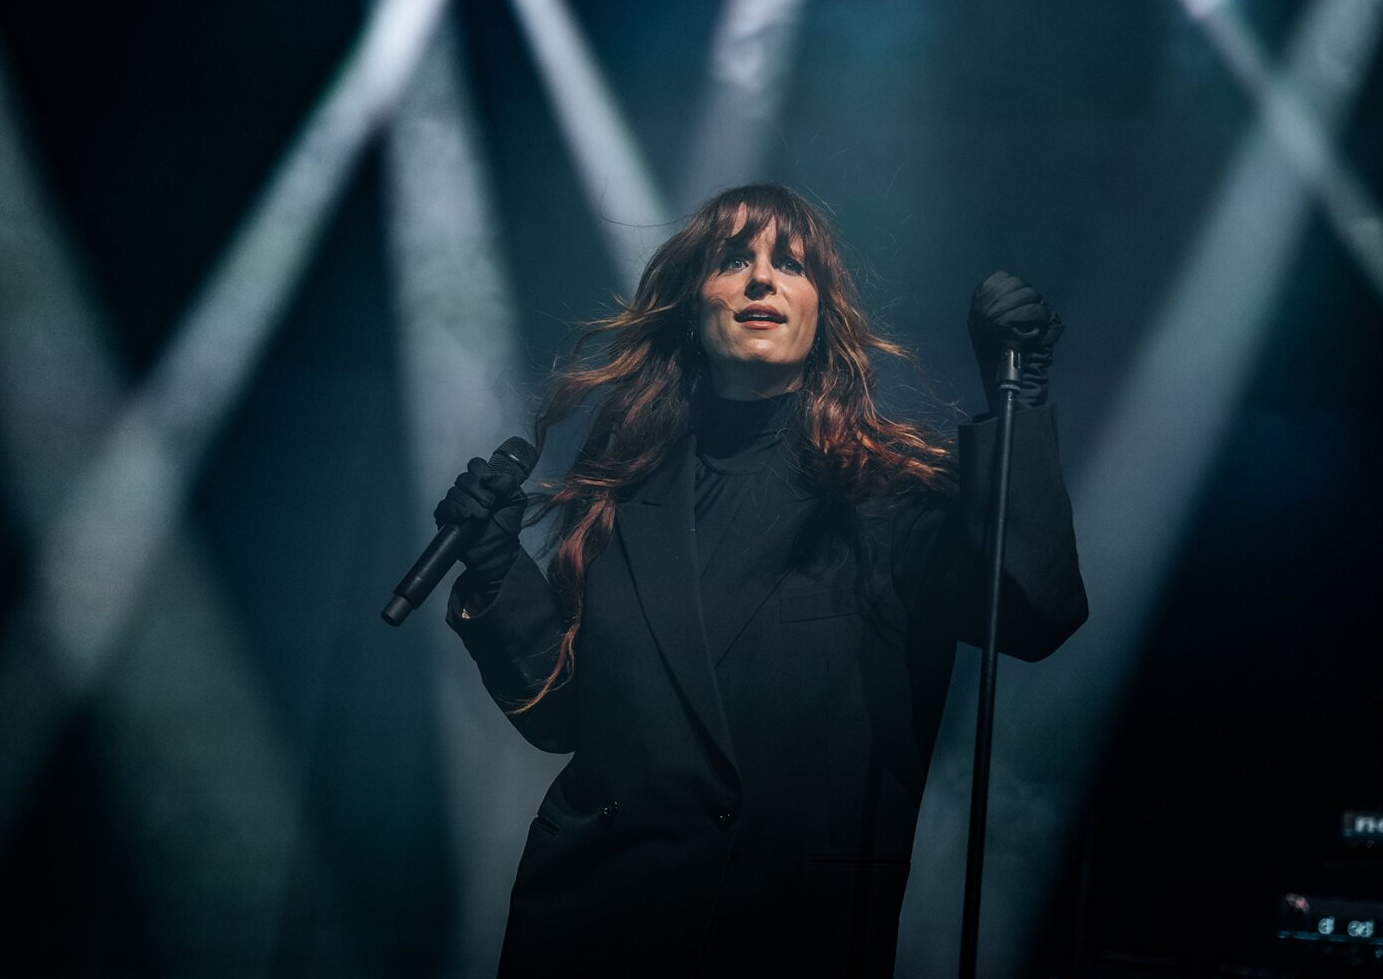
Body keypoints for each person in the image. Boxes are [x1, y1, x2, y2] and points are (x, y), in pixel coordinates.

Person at [435, 184, 1087, 976]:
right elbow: (562, 719)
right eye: (733, 260)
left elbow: (1033, 613)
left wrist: (1018, 402)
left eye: (792, 264)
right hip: (595, 927)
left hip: (787, 932)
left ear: (823, 315)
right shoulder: (619, 494)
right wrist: (497, 568)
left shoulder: (888, 496)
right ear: (691, 306)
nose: (762, 279)